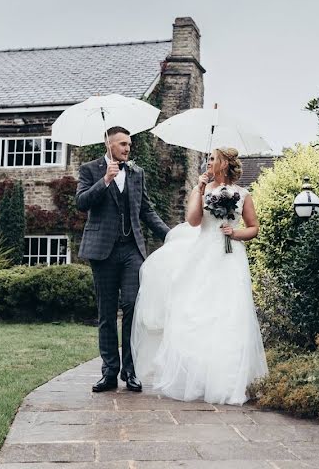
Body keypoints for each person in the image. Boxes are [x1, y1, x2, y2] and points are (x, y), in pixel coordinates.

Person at [131, 147, 268, 405]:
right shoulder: (201, 189)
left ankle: (226, 381)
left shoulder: (243, 195)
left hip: (230, 259)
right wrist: (199, 189)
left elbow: (253, 228)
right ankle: (196, 378)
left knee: (228, 314)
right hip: (203, 255)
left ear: (225, 163)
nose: (209, 162)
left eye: (213, 159)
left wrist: (235, 233)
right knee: (195, 309)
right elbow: (193, 221)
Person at [75, 126, 171, 393]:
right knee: (106, 313)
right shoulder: (90, 170)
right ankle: (109, 372)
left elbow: (147, 211)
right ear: (108, 145)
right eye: (122, 144)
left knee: (132, 306)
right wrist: (104, 180)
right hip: (102, 251)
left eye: (129, 144)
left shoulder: (137, 173)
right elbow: (81, 203)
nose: (128, 148)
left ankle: (131, 371)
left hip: (132, 250)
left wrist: (171, 235)